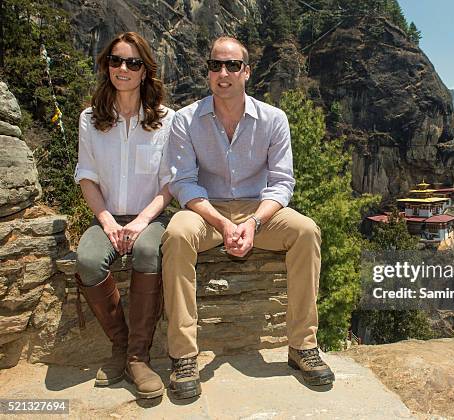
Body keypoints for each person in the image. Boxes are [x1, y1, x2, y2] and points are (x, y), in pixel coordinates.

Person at [161, 36, 335, 399]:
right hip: (206, 211)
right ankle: (183, 355)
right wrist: (224, 224)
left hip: (260, 210)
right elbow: (184, 183)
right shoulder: (185, 120)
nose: (223, 73)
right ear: (208, 71)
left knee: (306, 230)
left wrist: (253, 223)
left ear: (246, 72)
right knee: (176, 234)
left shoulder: (273, 119)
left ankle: (302, 345)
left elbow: (283, 183)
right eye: (215, 65)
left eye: (232, 66)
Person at [74, 32, 174, 399]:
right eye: (116, 61)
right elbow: (86, 176)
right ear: (107, 66)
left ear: (145, 70)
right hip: (107, 215)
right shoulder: (90, 119)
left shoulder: (165, 120)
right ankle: (120, 345)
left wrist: (140, 222)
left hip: (152, 216)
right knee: (87, 259)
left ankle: (138, 357)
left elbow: (169, 185)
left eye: (133, 62)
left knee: (148, 252)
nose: (123, 69)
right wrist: (108, 222)